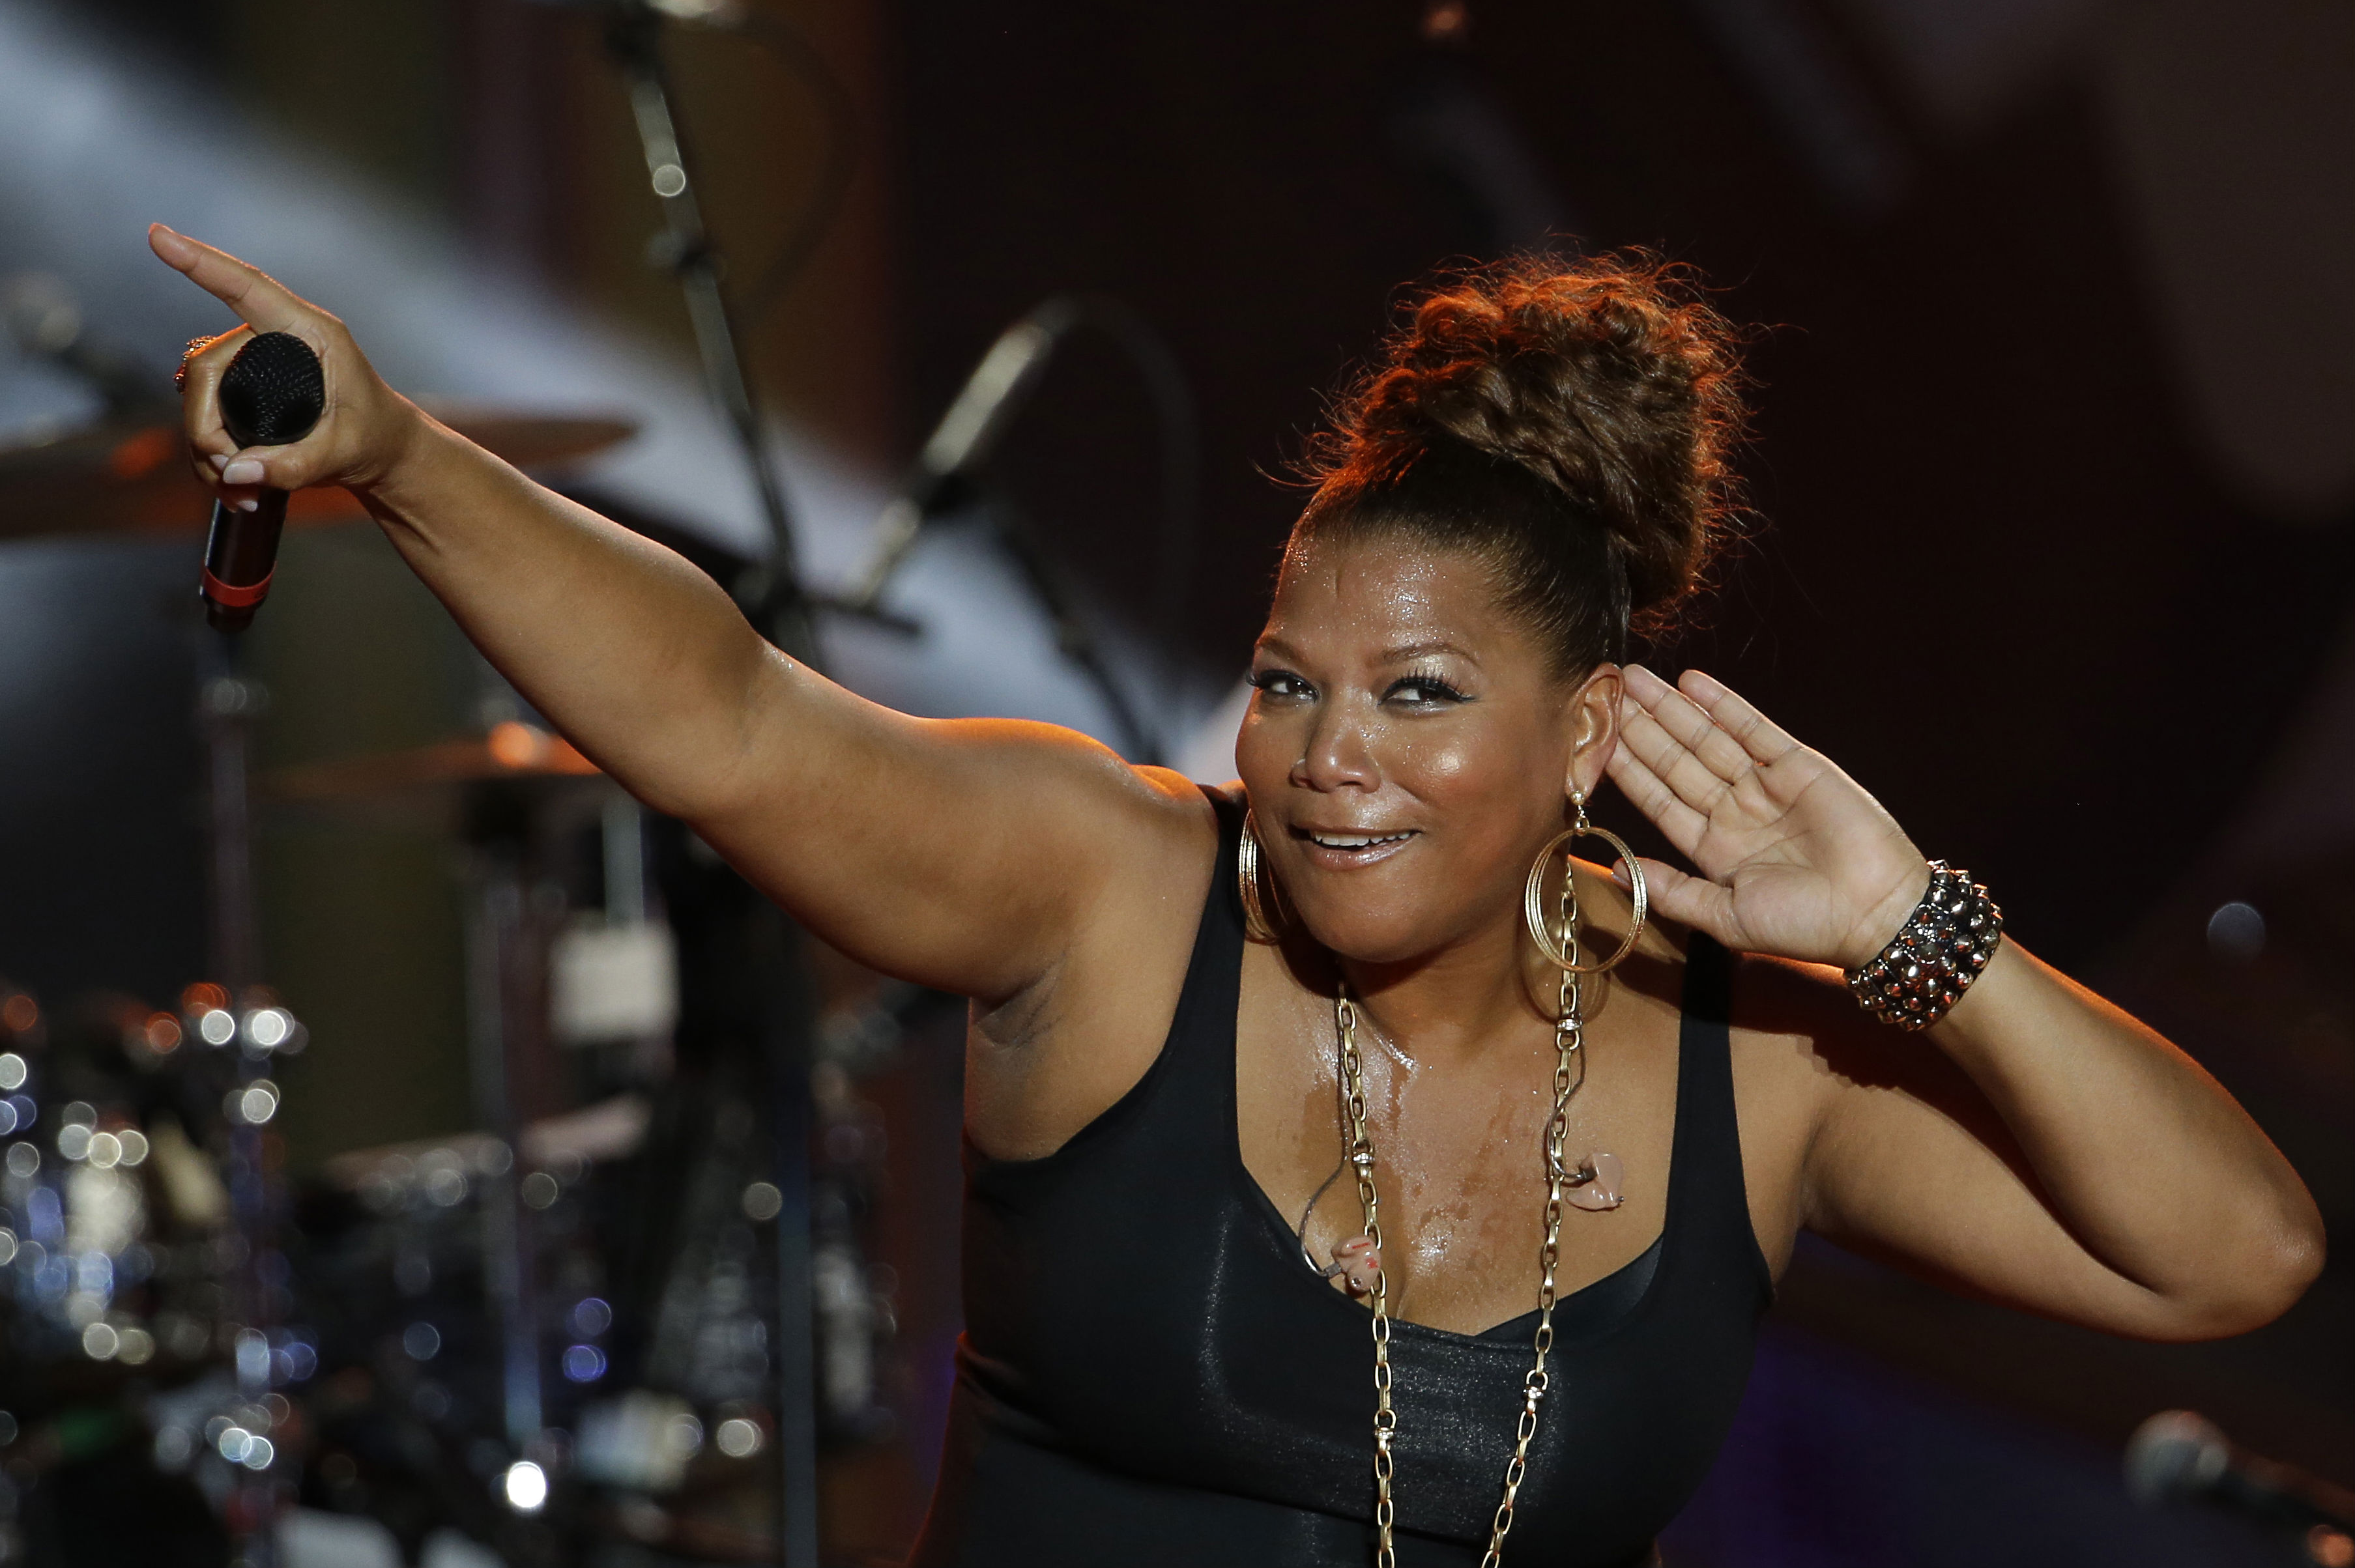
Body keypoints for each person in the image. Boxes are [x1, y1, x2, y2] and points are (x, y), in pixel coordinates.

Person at [150, 225, 2321, 1568]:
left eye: (1418, 694)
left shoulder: (1758, 1054)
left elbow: (2235, 1257)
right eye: (1290, 680)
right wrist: (402, 455)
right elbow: (729, 713)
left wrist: (1915, 934)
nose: (1323, 754)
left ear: (1586, 737)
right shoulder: (1112, 889)